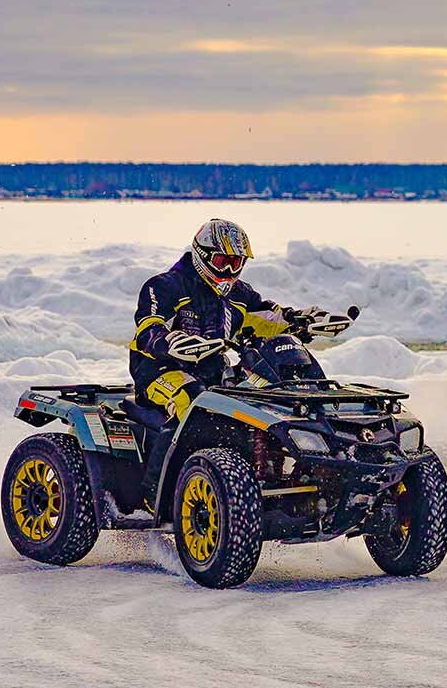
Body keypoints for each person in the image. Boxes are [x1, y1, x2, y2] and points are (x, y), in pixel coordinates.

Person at [129, 218, 350, 508]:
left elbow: (268, 318)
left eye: (237, 262)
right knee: (191, 402)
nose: (229, 271)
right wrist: (169, 343)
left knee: (263, 404)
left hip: (214, 372)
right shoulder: (165, 286)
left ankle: (278, 477)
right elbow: (147, 327)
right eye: (222, 261)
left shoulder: (240, 294)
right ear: (201, 255)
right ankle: (154, 495)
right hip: (160, 371)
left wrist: (303, 321)